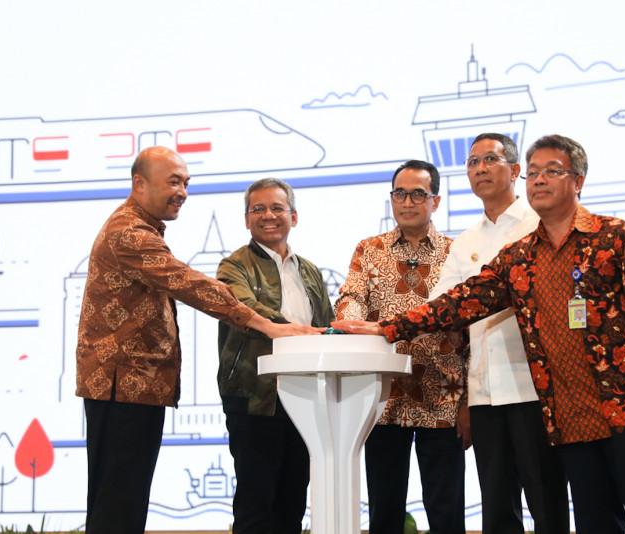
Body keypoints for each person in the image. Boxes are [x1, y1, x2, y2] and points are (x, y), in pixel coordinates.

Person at [334, 135, 625, 534]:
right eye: (534, 173)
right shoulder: (521, 256)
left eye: (552, 171)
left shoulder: (616, 236)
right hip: (570, 413)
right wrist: (386, 327)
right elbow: (460, 301)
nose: (539, 180)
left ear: (578, 181)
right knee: (595, 521)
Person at [76, 147, 320, 534]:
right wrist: (266, 325)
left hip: (135, 387)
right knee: (118, 503)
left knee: (123, 499)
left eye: (186, 183)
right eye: (173, 182)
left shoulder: (143, 228)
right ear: (140, 183)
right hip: (123, 385)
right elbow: (188, 283)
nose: (183, 192)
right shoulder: (130, 233)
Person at [429, 133, 568, 534]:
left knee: (547, 505)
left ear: (515, 170)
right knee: (497, 510)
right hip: (485, 394)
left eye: (490, 159)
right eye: (473, 162)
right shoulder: (466, 241)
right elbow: (441, 307)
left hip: (535, 390)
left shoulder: (539, 224)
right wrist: (382, 328)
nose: (480, 169)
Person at [334, 160, 469, 534]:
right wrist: (350, 321)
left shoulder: (457, 252)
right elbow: (352, 296)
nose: (407, 202)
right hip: (382, 397)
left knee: (446, 512)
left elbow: (474, 328)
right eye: (400, 193)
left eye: (418, 194)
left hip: (444, 397)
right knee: (384, 512)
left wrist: (470, 402)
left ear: (435, 200)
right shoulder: (369, 249)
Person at [216, 178, 334, 534]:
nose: (268, 215)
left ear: (293, 216)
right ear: (247, 219)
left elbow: (326, 326)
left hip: (306, 397)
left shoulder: (310, 271)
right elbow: (246, 308)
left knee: (291, 505)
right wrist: (296, 332)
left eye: (277, 208)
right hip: (254, 397)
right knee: (255, 507)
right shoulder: (233, 266)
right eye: (258, 209)